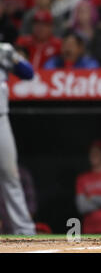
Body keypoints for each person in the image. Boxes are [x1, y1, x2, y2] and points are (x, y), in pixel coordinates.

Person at [0, 42, 35, 235]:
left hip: (0, 119)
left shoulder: (3, 50)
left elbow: (28, 73)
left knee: (11, 175)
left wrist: (11, 58)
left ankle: (24, 231)